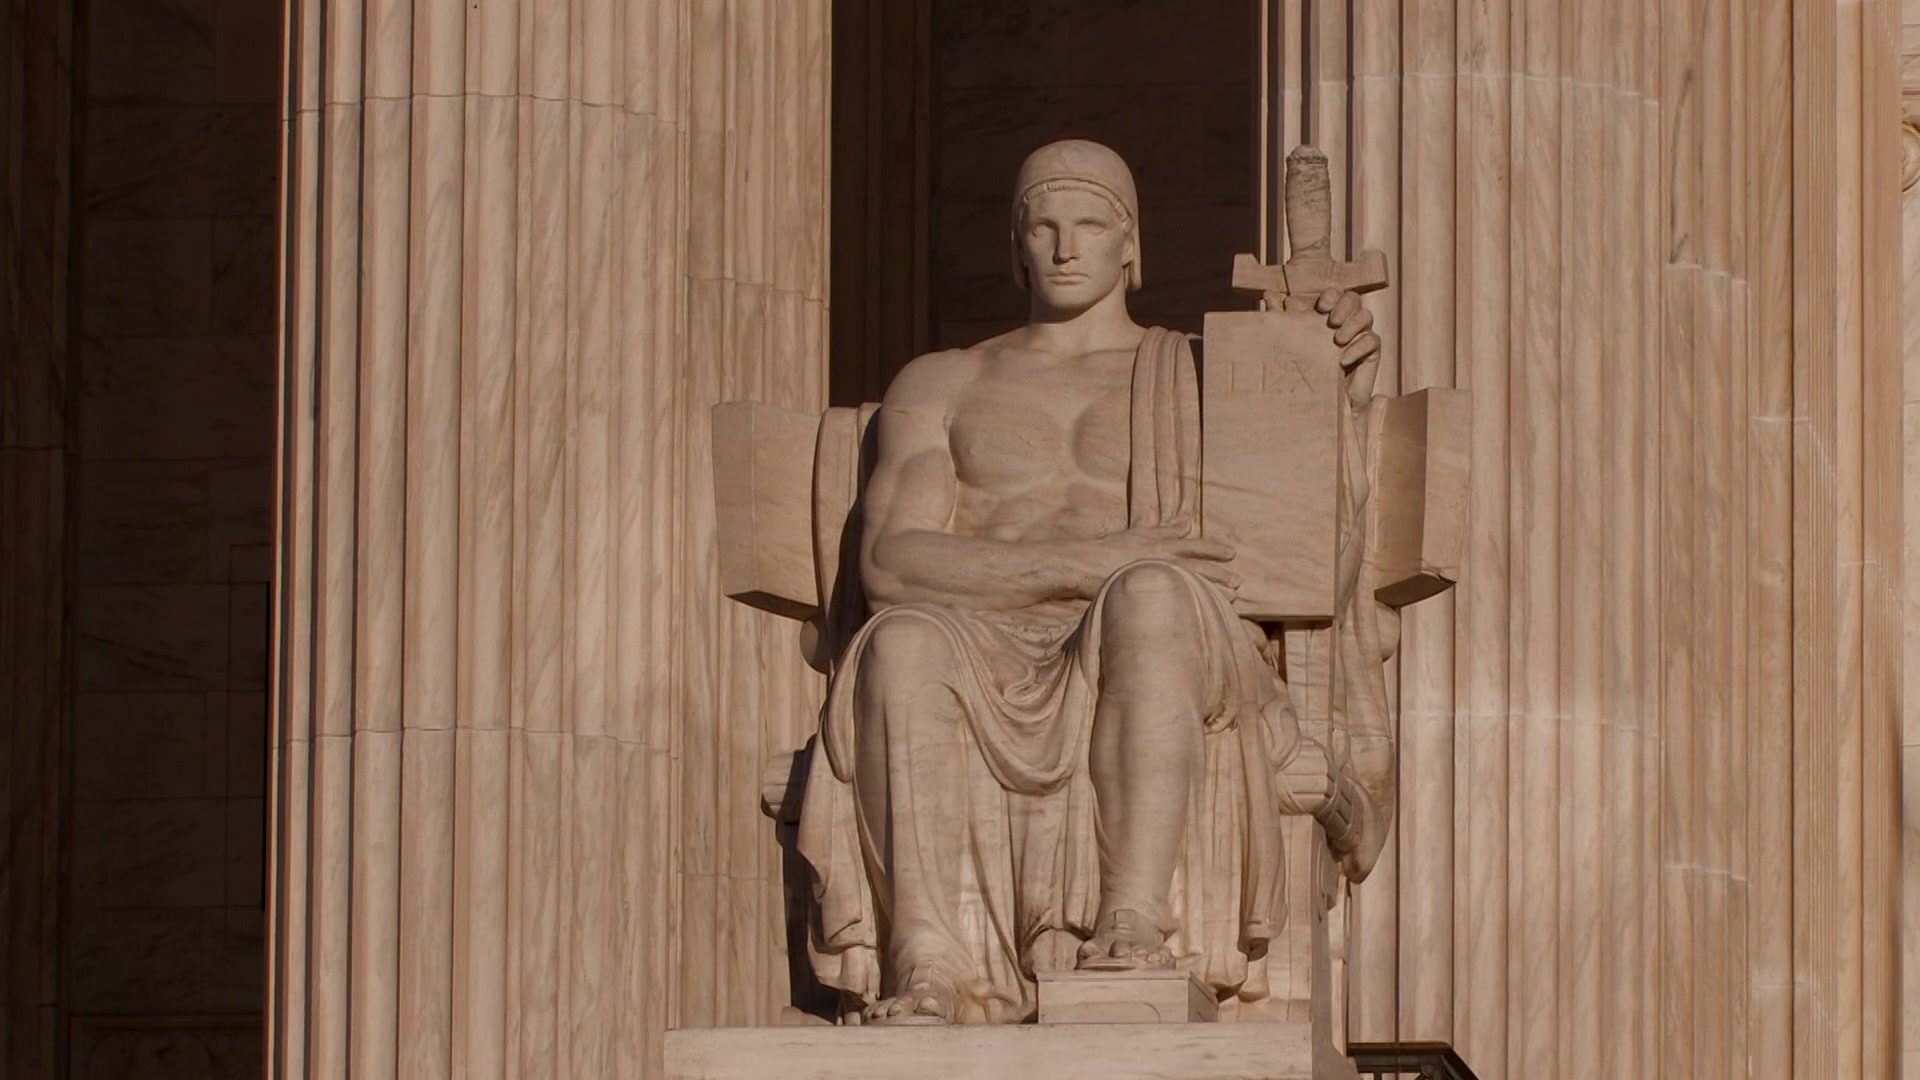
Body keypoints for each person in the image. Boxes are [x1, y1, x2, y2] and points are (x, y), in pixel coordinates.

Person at [795, 139, 1382, 1025]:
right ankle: (930, 966)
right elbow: (889, 564)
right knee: (902, 643)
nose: (1067, 247)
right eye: (1044, 226)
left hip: (1162, 640)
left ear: (1131, 245)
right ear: (1016, 245)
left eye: (1091, 224)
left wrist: (1333, 385)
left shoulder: (1197, 373)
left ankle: (1133, 927)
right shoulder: (942, 383)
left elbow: (1305, 540)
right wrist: (1092, 559)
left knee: (1149, 595)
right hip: (982, 636)